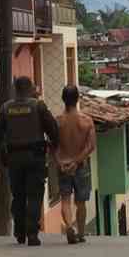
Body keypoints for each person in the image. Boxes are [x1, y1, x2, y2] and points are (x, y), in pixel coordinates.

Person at [0, 77, 59, 246]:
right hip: (35, 158)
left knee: (18, 195)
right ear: (30, 89)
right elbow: (53, 129)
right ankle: (32, 233)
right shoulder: (38, 106)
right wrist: (54, 146)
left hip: (14, 159)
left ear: (15, 89)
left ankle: (20, 231)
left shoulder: (6, 108)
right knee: (34, 195)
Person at [54, 86, 96, 244]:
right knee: (81, 202)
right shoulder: (86, 121)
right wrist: (77, 161)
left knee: (65, 199)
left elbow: (52, 146)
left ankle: (69, 226)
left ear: (63, 99)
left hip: (63, 166)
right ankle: (81, 232)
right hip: (80, 166)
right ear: (77, 99)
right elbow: (91, 146)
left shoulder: (58, 121)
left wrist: (60, 162)